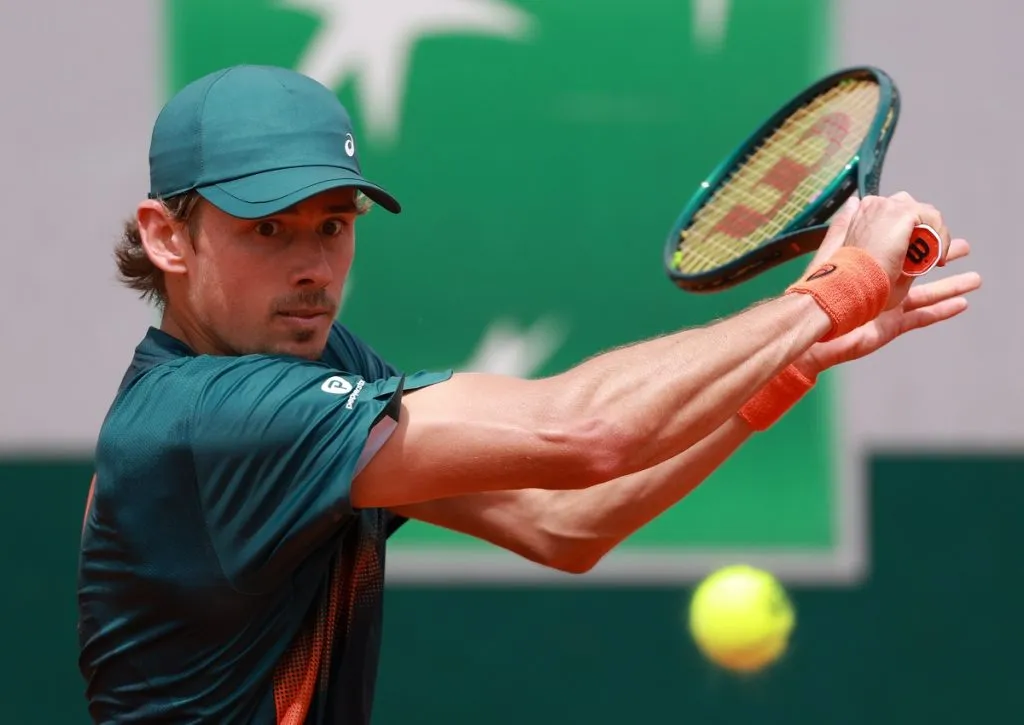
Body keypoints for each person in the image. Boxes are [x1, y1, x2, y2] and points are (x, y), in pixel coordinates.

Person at [77, 64, 981, 724]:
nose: (313, 266)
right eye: (267, 228)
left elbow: (564, 522)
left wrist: (787, 364)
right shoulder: (210, 421)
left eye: (334, 225)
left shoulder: (306, 366)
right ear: (168, 236)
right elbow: (584, 431)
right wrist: (834, 291)